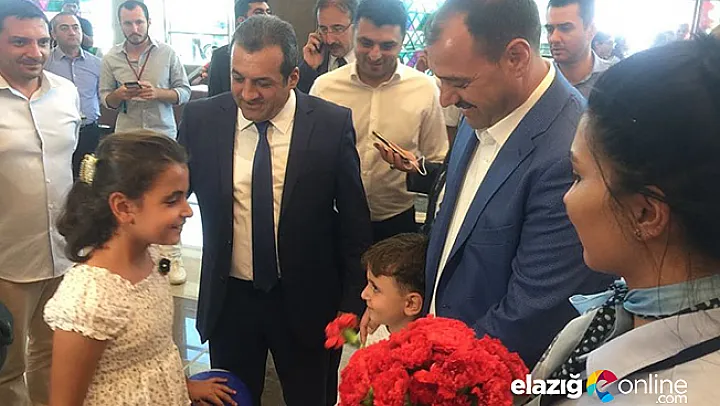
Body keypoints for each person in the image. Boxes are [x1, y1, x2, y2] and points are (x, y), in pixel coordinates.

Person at [366, 0, 615, 368]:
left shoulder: (570, 152)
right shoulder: (483, 107)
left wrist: (435, 369)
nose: (445, 98)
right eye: (440, 79)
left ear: (516, 57)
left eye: (458, 82)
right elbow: (453, 230)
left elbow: (531, 314)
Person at [177, 15, 372, 406]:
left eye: (262, 83)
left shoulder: (330, 125)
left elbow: (355, 224)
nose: (247, 94)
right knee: (232, 399)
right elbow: (172, 196)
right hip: (230, 301)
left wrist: (352, 304)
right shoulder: (202, 121)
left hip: (308, 302)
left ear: (293, 77)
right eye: (238, 78)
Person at [524, 35, 720, 406]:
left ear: (645, 213)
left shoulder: (690, 391)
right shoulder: (617, 316)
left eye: (577, 176)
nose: (566, 198)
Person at [44, 132, 236, 406]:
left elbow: (153, 349)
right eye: (172, 200)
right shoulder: (88, 299)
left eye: (185, 197)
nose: (188, 210)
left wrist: (184, 386)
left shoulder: (153, 256)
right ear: (123, 207)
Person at [310, 0, 448, 243]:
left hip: (397, 222)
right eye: (366, 43)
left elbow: (438, 163)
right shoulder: (325, 88)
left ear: (402, 41)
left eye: (387, 45)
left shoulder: (425, 90)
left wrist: (414, 166)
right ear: (354, 34)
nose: (375, 55)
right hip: (335, 219)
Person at [0, 1, 81, 404]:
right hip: (8, 262)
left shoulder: (66, 92)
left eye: (42, 42)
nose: (35, 52)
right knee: (7, 367)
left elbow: (72, 165)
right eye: (20, 42)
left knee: (55, 354)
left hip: (65, 254)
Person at [100, 0, 191, 284]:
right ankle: (134, 257)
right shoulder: (110, 58)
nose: (134, 28)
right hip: (127, 140)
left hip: (162, 138)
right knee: (131, 199)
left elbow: (184, 91)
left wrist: (159, 93)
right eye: (128, 23)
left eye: (139, 22)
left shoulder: (167, 53)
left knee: (168, 198)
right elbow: (105, 98)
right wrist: (118, 95)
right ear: (120, 25)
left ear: (149, 22)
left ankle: (171, 258)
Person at [46, 12, 103, 179]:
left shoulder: (97, 63)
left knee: (89, 180)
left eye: (76, 28)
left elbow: (102, 95)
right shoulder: (45, 63)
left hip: (89, 131)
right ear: (53, 34)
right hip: (57, 131)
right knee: (60, 177)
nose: (72, 32)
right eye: (64, 28)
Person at [361, 233, 427, 346]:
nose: (364, 294)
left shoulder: (421, 352)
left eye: (375, 288)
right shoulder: (372, 331)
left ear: (411, 304)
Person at [546, 0, 611, 98]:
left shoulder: (615, 78)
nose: (553, 38)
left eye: (565, 29)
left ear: (591, 30)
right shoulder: (539, 80)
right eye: (550, 30)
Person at [207, 0, 271, 97]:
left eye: (268, 12)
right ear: (241, 20)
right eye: (259, 13)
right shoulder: (221, 57)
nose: (267, 17)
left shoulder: (278, 53)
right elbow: (214, 100)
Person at [298, 0, 358, 93]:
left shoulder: (371, 62)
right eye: (323, 29)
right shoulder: (315, 57)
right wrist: (309, 68)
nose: (329, 40)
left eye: (337, 29)